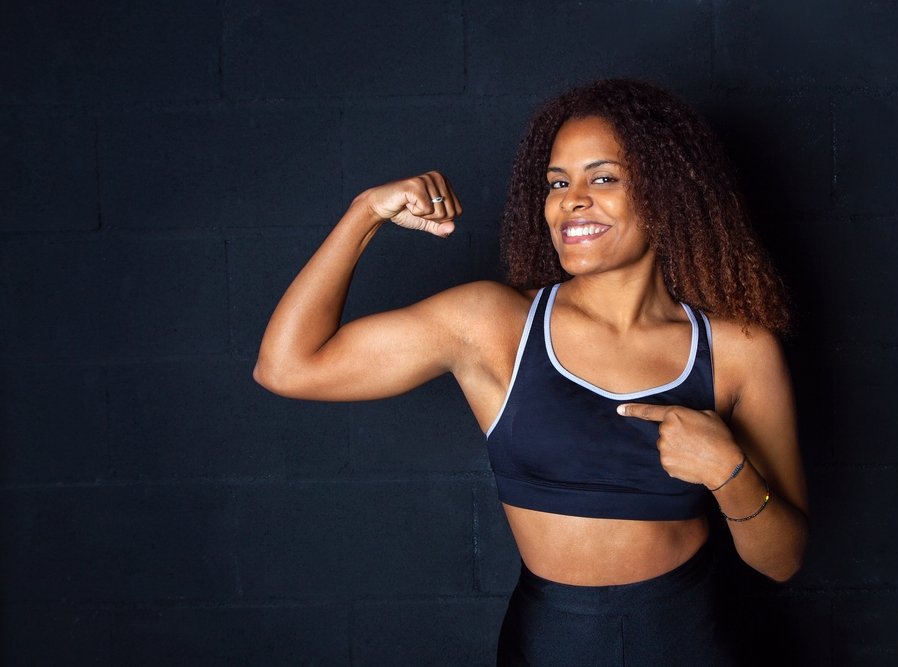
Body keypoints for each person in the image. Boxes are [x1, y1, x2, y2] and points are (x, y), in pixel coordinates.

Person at [254, 79, 808, 666]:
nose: (571, 199)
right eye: (557, 182)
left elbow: (782, 559)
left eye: (604, 178)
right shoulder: (492, 324)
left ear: (666, 192)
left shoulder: (738, 350)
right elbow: (287, 367)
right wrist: (364, 213)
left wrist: (729, 472)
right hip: (550, 642)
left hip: (693, 640)